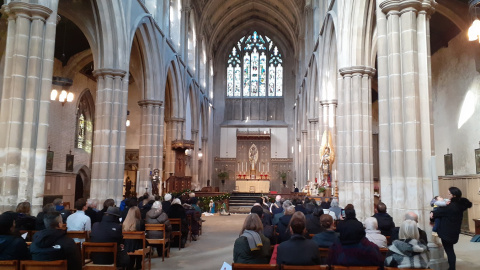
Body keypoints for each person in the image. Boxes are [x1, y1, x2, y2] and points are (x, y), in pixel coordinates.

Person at [432, 186, 472, 270]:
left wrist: (432, 212)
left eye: (449, 194)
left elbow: (437, 213)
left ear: (454, 195)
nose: (447, 195)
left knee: (449, 251)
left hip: (446, 232)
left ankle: (452, 268)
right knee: (450, 250)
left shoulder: (451, 206)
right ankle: (452, 267)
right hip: (454, 231)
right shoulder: (459, 205)